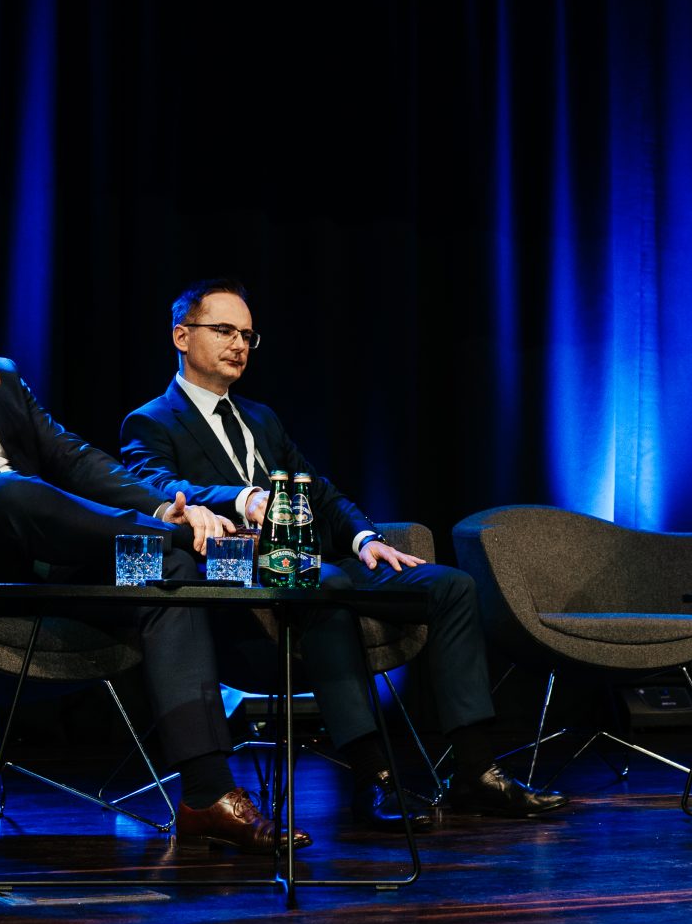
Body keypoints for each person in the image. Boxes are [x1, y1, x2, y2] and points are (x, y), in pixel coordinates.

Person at [0, 224, 308, 854]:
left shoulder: (3, 376)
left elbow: (76, 462)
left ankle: (207, 792)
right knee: (14, 492)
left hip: (50, 572)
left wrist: (161, 505)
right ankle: (165, 540)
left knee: (165, 580)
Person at [119, 279, 567, 823]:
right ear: (182, 336)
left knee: (451, 587)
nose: (239, 344)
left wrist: (366, 539)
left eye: (247, 335)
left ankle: (474, 769)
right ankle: (374, 778)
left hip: (316, 566)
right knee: (323, 586)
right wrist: (243, 497)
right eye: (224, 331)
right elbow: (156, 490)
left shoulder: (261, 418)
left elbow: (321, 491)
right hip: (243, 586)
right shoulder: (151, 421)